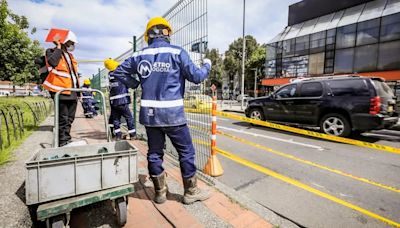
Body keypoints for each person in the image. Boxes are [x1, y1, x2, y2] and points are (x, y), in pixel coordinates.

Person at [111, 16, 212, 204]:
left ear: (148, 35)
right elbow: (197, 77)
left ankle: (159, 193)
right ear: (167, 33)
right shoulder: (177, 53)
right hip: (174, 115)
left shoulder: (138, 55)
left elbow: (117, 71)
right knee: (186, 152)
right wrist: (207, 65)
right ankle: (190, 192)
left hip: (150, 116)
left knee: (155, 152)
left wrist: (136, 83)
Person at [43, 30, 80, 147]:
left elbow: (73, 74)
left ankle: (66, 139)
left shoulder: (70, 56)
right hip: (59, 90)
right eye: (70, 42)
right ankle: (63, 142)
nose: (71, 45)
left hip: (72, 91)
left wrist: (78, 91)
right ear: (63, 42)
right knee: (63, 118)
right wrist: (58, 47)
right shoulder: (51, 52)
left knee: (70, 118)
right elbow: (53, 62)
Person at [104, 58, 136, 141]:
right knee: (129, 117)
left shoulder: (110, 74)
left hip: (113, 101)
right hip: (122, 100)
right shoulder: (120, 73)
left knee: (116, 119)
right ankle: (132, 134)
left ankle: (118, 135)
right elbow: (129, 82)